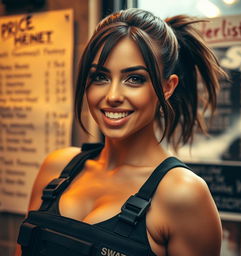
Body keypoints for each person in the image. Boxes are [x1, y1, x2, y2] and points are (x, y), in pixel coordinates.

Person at [16, 8, 227, 256]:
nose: (113, 96)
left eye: (134, 79)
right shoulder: (56, 168)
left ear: (167, 87)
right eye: (101, 77)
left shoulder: (182, 193)